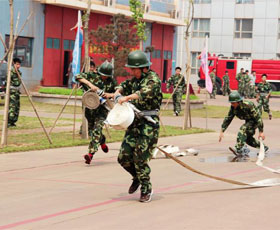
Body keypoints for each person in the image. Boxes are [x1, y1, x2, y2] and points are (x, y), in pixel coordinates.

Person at [114, 50, 162, 203]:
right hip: (134, 122)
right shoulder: (135, 79)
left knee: (140, 158)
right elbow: (124, 85)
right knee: (123, 157)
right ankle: (137, 177)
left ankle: (146, 189)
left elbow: (143, 93)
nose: (132, 72)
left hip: (148, 124)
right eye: (131, 69)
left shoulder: (153, 79)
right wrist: (117, 92)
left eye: (134, 69)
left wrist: (127, 97)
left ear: (144, 68)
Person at [75, 60, 117, 165]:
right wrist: (90, 84)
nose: (104, 77)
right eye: (103, 75)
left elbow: (118, 92)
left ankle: (90, 154)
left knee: (97, 129)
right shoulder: (92, 75)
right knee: (92, 131)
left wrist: (108, 94)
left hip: (102, 110)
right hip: (90, 108)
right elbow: (77, 76)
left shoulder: (112, 82)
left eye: (106, 76)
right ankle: (102, 141)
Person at [219, 91, 269, 156]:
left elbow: (258, 118)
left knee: (243, 128)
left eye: (233, 103)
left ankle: (238, 149)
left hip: (255, 121)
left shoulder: (248, 105)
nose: (232, 104)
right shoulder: (233, 108)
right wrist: (222, 130)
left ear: (238, 102)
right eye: (231, 103)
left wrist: (261, 131)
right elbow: (228, 118)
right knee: (247, 139)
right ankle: (263, 147)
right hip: (248, 121)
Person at [8, 58, 22, 127]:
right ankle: (9, 121)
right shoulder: (10, 72)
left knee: (17, 107)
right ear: (14, 64)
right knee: (12, 107)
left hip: (17, 92)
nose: (18, 66)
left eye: (19, 64)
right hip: (12, 93)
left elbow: (19, 83)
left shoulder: (19, 73)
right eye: (17, 64)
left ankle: (13, 121)